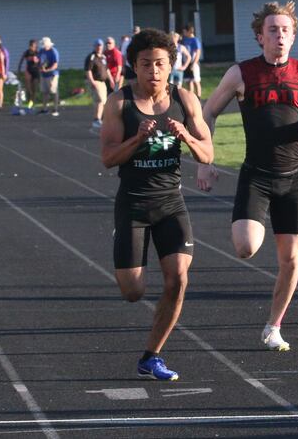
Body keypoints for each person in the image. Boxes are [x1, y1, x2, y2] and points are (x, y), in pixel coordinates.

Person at [197, 1, 298, 351]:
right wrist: (204, 160)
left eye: (286, 30)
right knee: (246, 248)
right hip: (256, 176)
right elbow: (208, 112)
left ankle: (274, 326)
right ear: (260, 36)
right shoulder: (241, 73)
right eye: (273, 30)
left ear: (293, 36)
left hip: (292, 179)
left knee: (291, 259)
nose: (280, 36)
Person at [100, 28, 213, 381]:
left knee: (178, 279)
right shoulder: (119, 102)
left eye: (160, 63)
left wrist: (187, 136)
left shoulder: (186, 100)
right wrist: (137, 139)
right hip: (133, 205)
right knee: (133, 291)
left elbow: (208, 154)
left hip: (170, 203)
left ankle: (152, 356)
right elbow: (107, 158)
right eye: (146, 64)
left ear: (171, 65)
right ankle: (123, 243)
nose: (153, 70)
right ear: (134, 66)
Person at [85, 38, 110, 129]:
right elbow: (88, 70)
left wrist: (111, 80)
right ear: (94, 46)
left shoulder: (103, 57)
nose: (99, 47)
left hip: (103, 82)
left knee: (103, 102)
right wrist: (92, 81)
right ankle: (97, 119)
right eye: (97, 46)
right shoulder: (91, 57)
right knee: (100, 101)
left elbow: (107, 69)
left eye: (100, 45)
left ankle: (99, 118)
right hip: (96, 81)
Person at [38, 36, 60, 116]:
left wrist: (48, 70)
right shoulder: (41, 51)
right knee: (44, 92)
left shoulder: (53, 51)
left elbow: (55, 64)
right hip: (43, 74)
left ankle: (55, 109)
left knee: (53, 90)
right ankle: (45, 109)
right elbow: (39, 61)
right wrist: (40, 67)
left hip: (52, 74)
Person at [18, 39, 40, 107]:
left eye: (35, 46)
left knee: (34, 88)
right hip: (28, 71)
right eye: (32, 46)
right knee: (28, 88)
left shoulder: (38, 53)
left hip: (36, 71)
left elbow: (40, 62)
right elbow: (21, 61)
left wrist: (37, 62)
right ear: (30, 46)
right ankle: (29, 101)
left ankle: (32, 102)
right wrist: (19, 71)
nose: (33, 47)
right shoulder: (26, 52)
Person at [181, 24, 202, 97]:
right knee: (188, 81)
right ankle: (191, 97)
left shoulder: (195, 40)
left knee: (196, 81)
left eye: (184, 31)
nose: (183, 33)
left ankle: (198, 98)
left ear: (189, 31)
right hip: (186, 63)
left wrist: (194, 63)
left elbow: (198, 53)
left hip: (193, 63)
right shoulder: (185, 40)